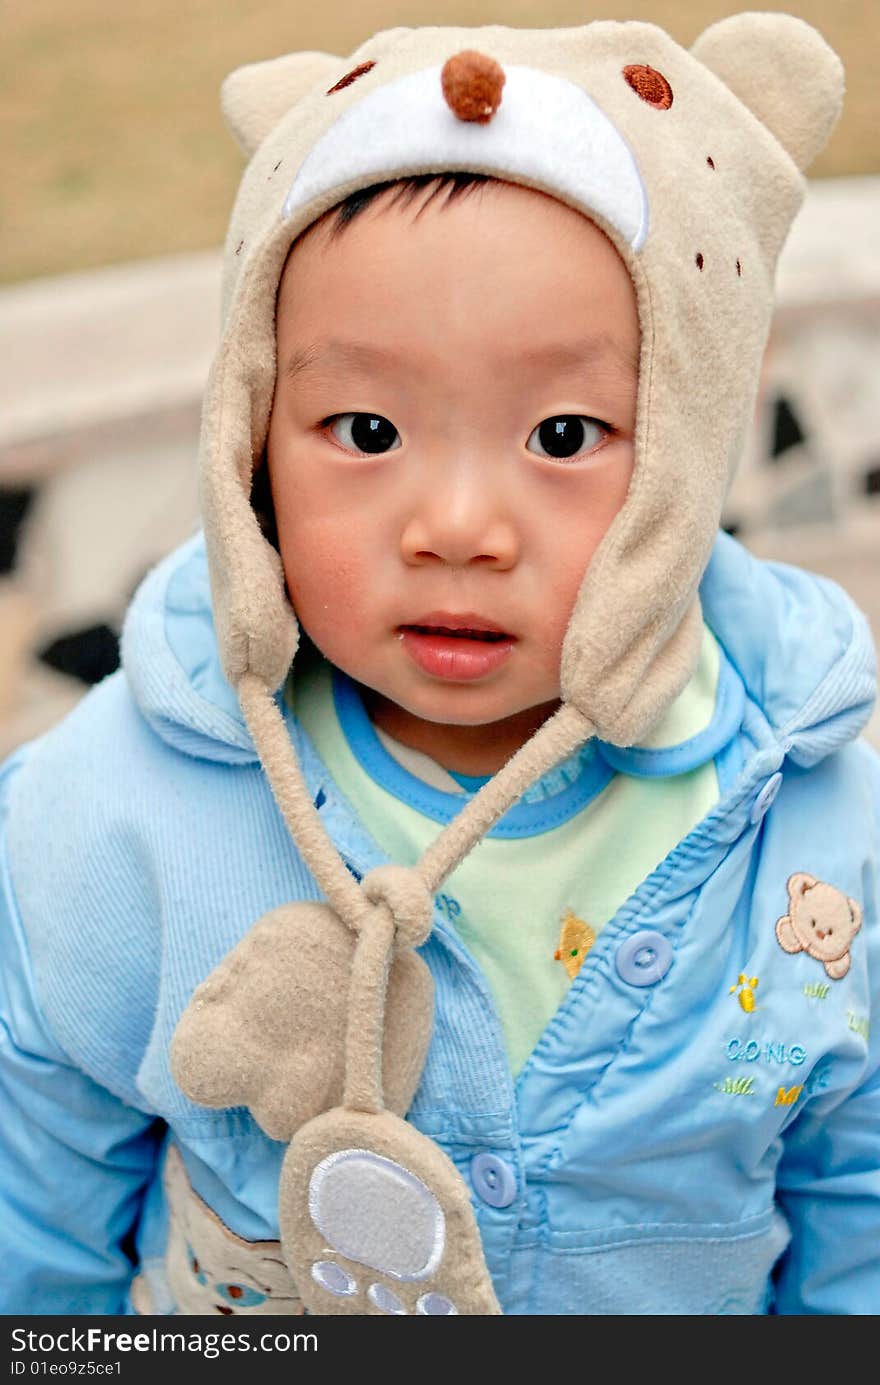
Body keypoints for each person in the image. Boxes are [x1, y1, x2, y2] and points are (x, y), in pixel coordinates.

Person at [1, 12, 878, 1317]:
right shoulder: (110, 817)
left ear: (692, 446)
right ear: (249, 439)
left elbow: (852, 1212)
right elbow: (41, 1223)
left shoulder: (807, 825)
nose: (457, 527)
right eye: (365, 427)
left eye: (565, 432)